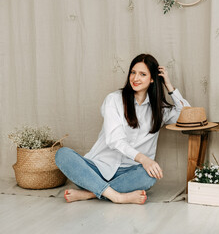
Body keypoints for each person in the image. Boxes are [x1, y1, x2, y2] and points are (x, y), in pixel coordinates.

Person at [55, 54, 190, 204]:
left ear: (152, 79)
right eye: (133, 72)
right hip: (98, 169)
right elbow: (115, 140)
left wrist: (169, 86)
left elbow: (187, 115)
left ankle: (90, 193)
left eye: (143, 74)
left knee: (151, 175)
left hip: (129, 173)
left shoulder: (159, 110)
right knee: (63, 154)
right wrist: (144, 159)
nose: (135, 78)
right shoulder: (114, 100)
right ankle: (117, 196)